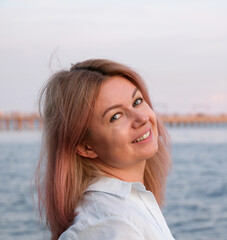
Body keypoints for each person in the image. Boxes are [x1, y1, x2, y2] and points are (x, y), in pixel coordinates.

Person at [35, 59, 174, 240]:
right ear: (86, 147)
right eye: (115, 116)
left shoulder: (126, 206)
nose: (141, 118)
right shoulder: (113, 223)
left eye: (137, 101)